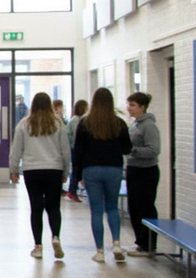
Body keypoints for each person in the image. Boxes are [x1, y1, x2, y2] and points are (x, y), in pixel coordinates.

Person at [73, 87, 133, 263]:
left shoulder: (85, 123)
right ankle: (116, 244)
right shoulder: (119, 123)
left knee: (96, 211)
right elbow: (127, 148)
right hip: (113, 169)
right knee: (112, 207)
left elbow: (78, 151)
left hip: (91, 170)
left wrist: (77, 175)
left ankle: (99, 251)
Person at [9, 93, 71, 259]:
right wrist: (66, 171)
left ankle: (38, 246)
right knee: (53, 206)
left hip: (32, 170)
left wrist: (14, 170)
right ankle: (56, 237)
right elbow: (65, 150)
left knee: (36, 207)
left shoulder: (24, 124)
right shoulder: (58, 124)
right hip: (54, 169)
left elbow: (16, 149)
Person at [125, 92, 161, 256]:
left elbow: (154, 150)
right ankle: (139, 242)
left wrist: (133, 151)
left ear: (142, 107)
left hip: (146, 171)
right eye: (129, 104)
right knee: (134, 207)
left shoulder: (148, 126)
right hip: (133, 170)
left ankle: (149, 245)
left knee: (145, 207)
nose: (129, 108)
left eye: (133, 105)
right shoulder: (134, 125)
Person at [65, 99, 88, 202]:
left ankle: (73, 190)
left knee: (76, 169)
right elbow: (75, 135)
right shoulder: (76, 120)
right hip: (75, 147)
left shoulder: (76, 119)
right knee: (76, 169)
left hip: (75, 147)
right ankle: (72, 190)